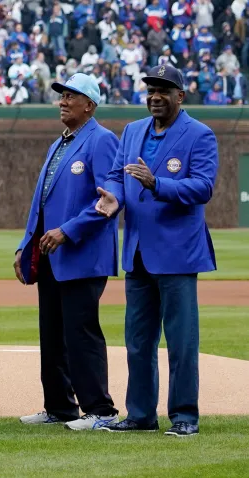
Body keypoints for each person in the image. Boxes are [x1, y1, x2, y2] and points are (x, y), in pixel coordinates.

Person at [95, 65, 218, 437]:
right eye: (151, 89)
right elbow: (117, 174)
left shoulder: (200, 135)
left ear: (180, 96)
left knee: (181, 342)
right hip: (137, 252)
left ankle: (184, 417)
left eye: (163, 90)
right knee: (137, 341)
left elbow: (203, 187)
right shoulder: (132, 131)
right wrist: (114, 197)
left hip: (178, 253)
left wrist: (158, 183)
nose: (155, 96)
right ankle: (140, 415)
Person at [14, 73, 121, 431]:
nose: (62, 101)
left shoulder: (102, 140)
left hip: (82, 254)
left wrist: (67, 231)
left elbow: (108, 201)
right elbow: (41, 202)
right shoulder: (59, 143)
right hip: (51, 255)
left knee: (81, 332)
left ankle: (101, 410)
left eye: (71, 96)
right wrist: (26, 244)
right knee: (53, 334)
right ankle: (60, 407)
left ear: (89, 105)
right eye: (61, 95)